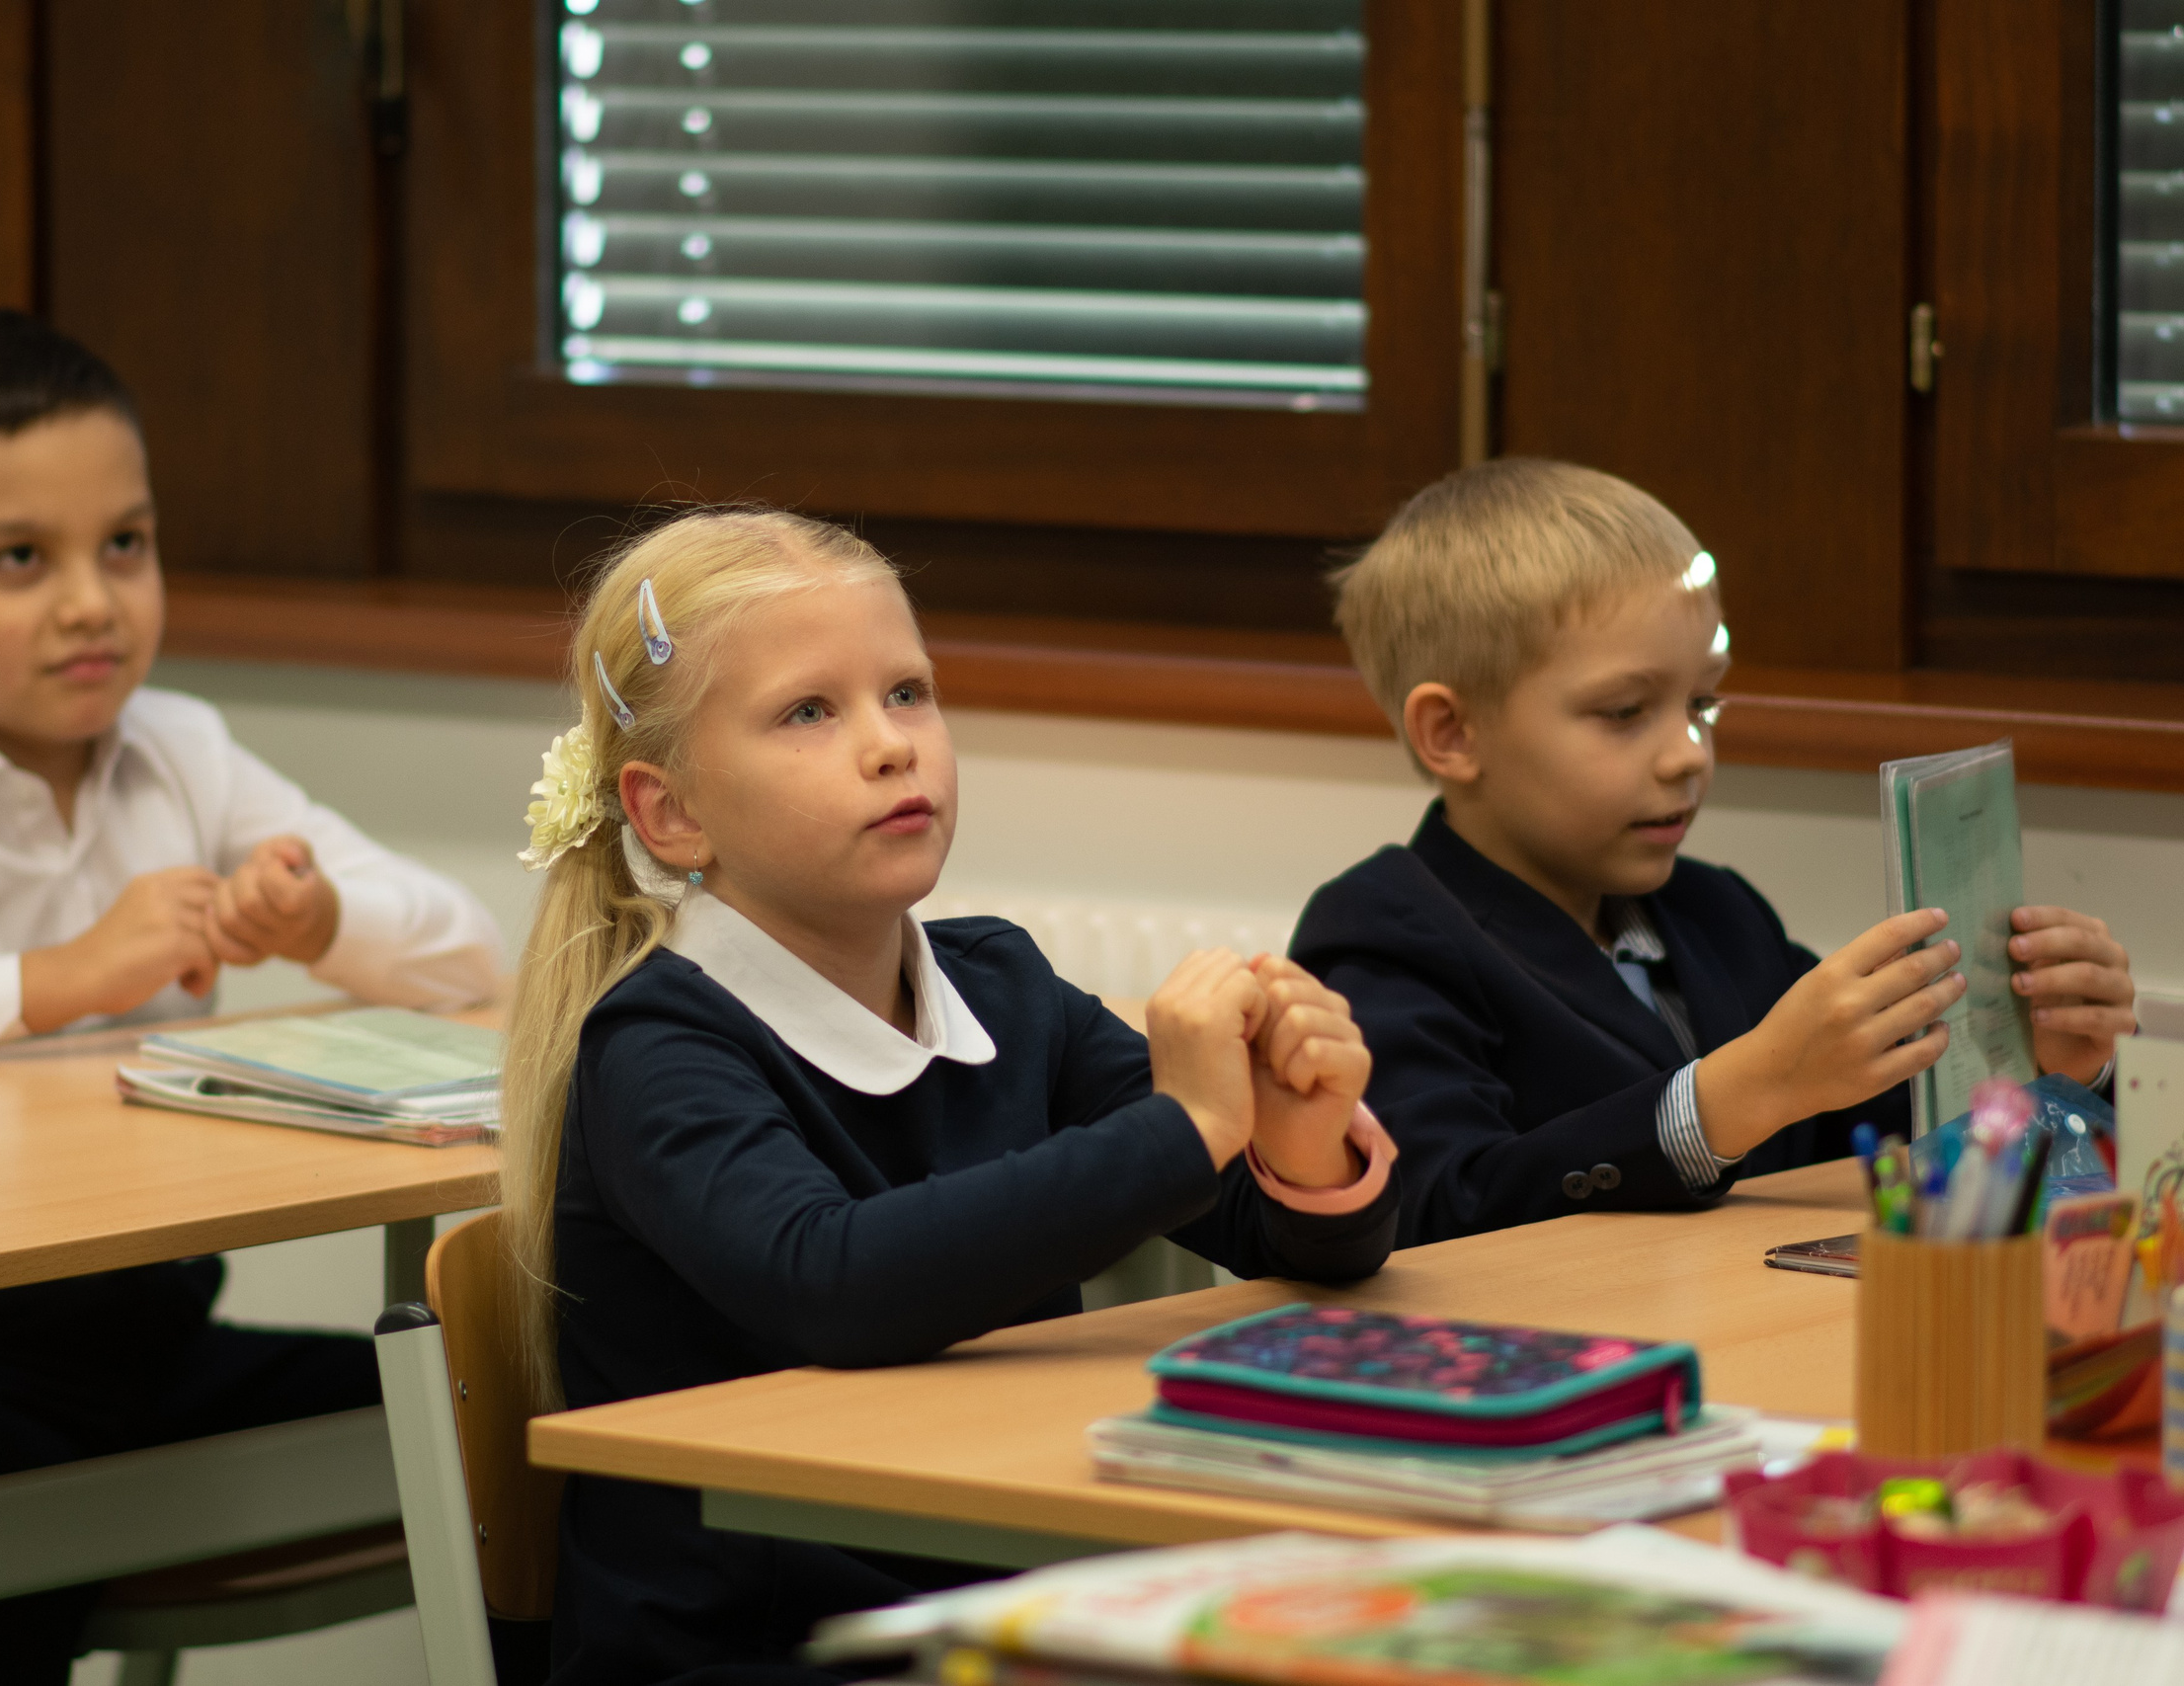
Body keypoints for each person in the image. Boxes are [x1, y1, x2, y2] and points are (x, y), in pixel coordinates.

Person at [0, 309, 506, 1686]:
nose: (91, 599)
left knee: (490, 1414)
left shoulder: (182, 753)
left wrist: (320, 918)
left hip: (149, 1347)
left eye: (124, 543)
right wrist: (52, 980)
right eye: (22, 556)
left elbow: (474, 961)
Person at [498, 509, 1400, 1686]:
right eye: (808, 712)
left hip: (1008, 1604)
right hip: (762, 1646)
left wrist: (1302, 1142)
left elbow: (1293, 1243)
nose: (890, 745)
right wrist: (1188, 1127)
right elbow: (834, 1283)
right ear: (672, 813)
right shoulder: (658, 1046)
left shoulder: (1000, 985)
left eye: (908, 692)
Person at [1289, 458, 2137, 1248]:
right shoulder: (1386, 932)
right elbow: (1436, 1212)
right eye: (1626, 711)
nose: (1689, 753)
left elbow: (1890, 1140)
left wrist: (2054, 1068)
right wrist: (1741, 1092)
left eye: (1701, 703)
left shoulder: (1717, 913)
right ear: (1452, 732)